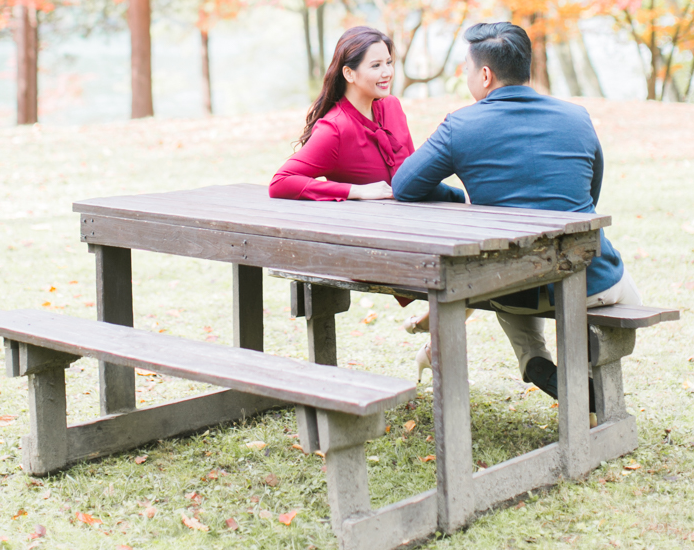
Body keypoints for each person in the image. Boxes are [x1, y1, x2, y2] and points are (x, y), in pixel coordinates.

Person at [391, 21, 640, 408]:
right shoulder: (577, 117)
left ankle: (533, 359)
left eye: (468, 69)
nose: (467, 76)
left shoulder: (460, 125)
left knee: (511, 289)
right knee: (625, 292)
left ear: (485, 75)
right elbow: (590, 194)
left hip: (514, 288)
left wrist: (466, 201)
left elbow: (405, 184)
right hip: (592, 281)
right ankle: (588, 379)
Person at [269, 25, 464, 203]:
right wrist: (356, 191)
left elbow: (411, 176)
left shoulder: (392, 106)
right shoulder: (335, 128)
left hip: (422, 218)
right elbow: (281, 182)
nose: (387, 72)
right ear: (349, 74)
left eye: (389, 62)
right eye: (376, 65)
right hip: (370, 232)